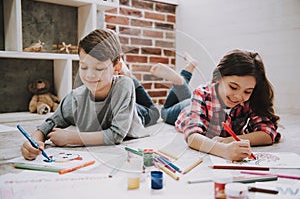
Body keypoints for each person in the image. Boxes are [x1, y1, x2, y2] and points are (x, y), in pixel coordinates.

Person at [21, 29, 159, 160]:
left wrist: (71, 138)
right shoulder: (76, 97)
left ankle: (126, 73)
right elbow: (48, 124)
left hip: (137, 113)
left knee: (154, 111)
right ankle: (117, 75)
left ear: (116, 67)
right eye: (84, 66)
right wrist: (34, 141)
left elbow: (116, 135)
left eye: (99, 68)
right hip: (114, 96)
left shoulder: (124, 87)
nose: (90, 75)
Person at [151, 49, 280, 161]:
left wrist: (229, 141)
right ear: (218, 77)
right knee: (164, 111)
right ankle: (182, 79)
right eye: (233, 87)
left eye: (247, 91)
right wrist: (224, 150)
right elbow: (192, 136)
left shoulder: (248, 101)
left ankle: (183, 78)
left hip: (198, 105)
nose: (239, 96)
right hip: (183, 112)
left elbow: (267, 133)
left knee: (187, 97)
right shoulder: (202, 93)